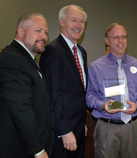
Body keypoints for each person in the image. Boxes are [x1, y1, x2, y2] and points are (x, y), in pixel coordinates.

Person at [86, 22, 137, 158]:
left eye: (124, 37)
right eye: (116, 37)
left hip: (132, 126)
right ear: (107, 41)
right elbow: (90, 96)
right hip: (107, 127)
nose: (121, 41)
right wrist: (103, 106)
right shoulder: (96, 67)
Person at [0, 13, 55, 158]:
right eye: (38, 31)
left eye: (46, 32)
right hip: (20, 149)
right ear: (20, 31)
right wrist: (37, 150)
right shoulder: (13, 59)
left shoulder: (27, 59)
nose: (44, 36)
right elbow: (21, 110)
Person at [40, 5, 88, 158]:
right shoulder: (52, 50)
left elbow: (79, 93)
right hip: (62, 132)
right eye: (73, 20)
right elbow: (53, 95)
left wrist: (82, 124)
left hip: (79, 127)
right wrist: (65, 131)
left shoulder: (81, 52)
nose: (78, 25)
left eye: (81, 21)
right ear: (62, 22)